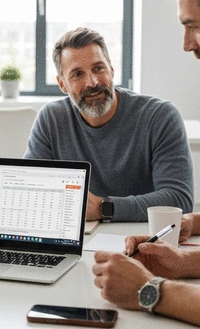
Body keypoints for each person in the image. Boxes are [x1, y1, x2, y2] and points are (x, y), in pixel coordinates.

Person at [92, 0, 200, 326]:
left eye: (196, 25)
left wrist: (149, 290)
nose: (188, 44)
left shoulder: (158, 115)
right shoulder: (51, 118)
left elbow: (177, 195)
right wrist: (182, 258)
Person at [24, 26, 193, 222]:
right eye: (77, 74)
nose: (93, 82)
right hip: (79, 238)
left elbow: (179, 200)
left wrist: (105, 208)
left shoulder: (160, 117)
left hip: (143, 239)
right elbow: (30, 190)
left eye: (98, 68)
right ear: (62, 84)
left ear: (111, 70)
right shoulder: (51, 119)